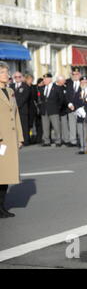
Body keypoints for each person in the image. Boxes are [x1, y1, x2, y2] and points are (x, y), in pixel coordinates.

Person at [0, 61, 24, 218]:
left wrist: (20, 137)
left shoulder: (10, 90)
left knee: (5, 174)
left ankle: (2, 207)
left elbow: (16, 115)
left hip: (10, 138)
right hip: (0, 138)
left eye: (7, 72)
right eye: (3, 72)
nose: (7, 75)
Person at [38, 73, 65, 147]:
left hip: (54, 110)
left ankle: (58, 140)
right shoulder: (42, 88)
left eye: (46, 79)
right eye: (44, 79)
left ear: (50, 79)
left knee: (56, 126)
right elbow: (40, 100)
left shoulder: (56, 87)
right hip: (44, 110)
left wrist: (58, 107)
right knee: (45, 127)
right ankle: (47, 141)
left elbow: (61, 99)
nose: (44, 80)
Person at [10, 71, 31, 146]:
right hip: (13, 110)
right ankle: (16, 141)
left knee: (24, 126)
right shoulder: (11, 86)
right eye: (15, 77)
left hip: (22, 110)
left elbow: (25, 98)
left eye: (19, 77)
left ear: (22, 77)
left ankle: (25, 141)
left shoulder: (25, 86)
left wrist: (16, 105)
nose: (17, 78)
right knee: (15, 126)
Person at [65, 68, 81, 147]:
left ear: (80, 75)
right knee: (72, 124)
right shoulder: (69, 84)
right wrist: (69, 103)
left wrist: (77, 106)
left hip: (79, 108)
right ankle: (73, 140)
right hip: (71, 107)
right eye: (73, 74)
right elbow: (67, 95)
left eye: (77, 74)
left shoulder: (82, 83)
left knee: (80, 125)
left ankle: (80, 140)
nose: (75, 76)